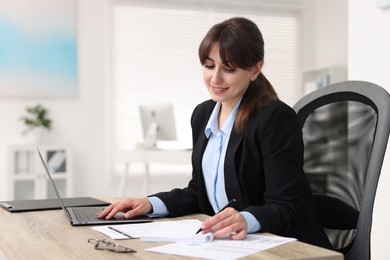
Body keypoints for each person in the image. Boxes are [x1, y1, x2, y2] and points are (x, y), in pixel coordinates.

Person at [98, 17, 332, 249]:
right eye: (209, 66)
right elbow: (198, 191)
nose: (215, 78)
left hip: (286, 247)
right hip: (229, 244)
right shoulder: (203, 114)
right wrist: (151, 204)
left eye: (228, 69)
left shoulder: (274, 118)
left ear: (255, 69)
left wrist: (246, 220)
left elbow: (285, 206)